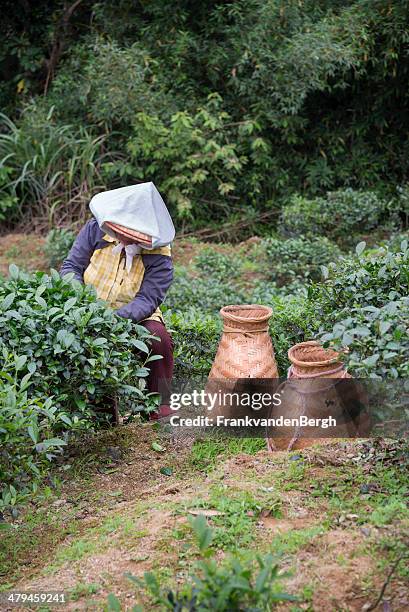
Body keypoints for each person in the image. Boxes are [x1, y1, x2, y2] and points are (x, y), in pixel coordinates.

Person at [60, 182, 175, 420]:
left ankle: (160, 409)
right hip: (87, 309)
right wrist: (83, 303)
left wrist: (116, 319)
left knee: (158, 339)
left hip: (137, 315)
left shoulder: (159, 254)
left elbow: (148, 298)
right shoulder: (96, 229)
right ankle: (104, 417)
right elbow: (72, 267)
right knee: (91, 353)